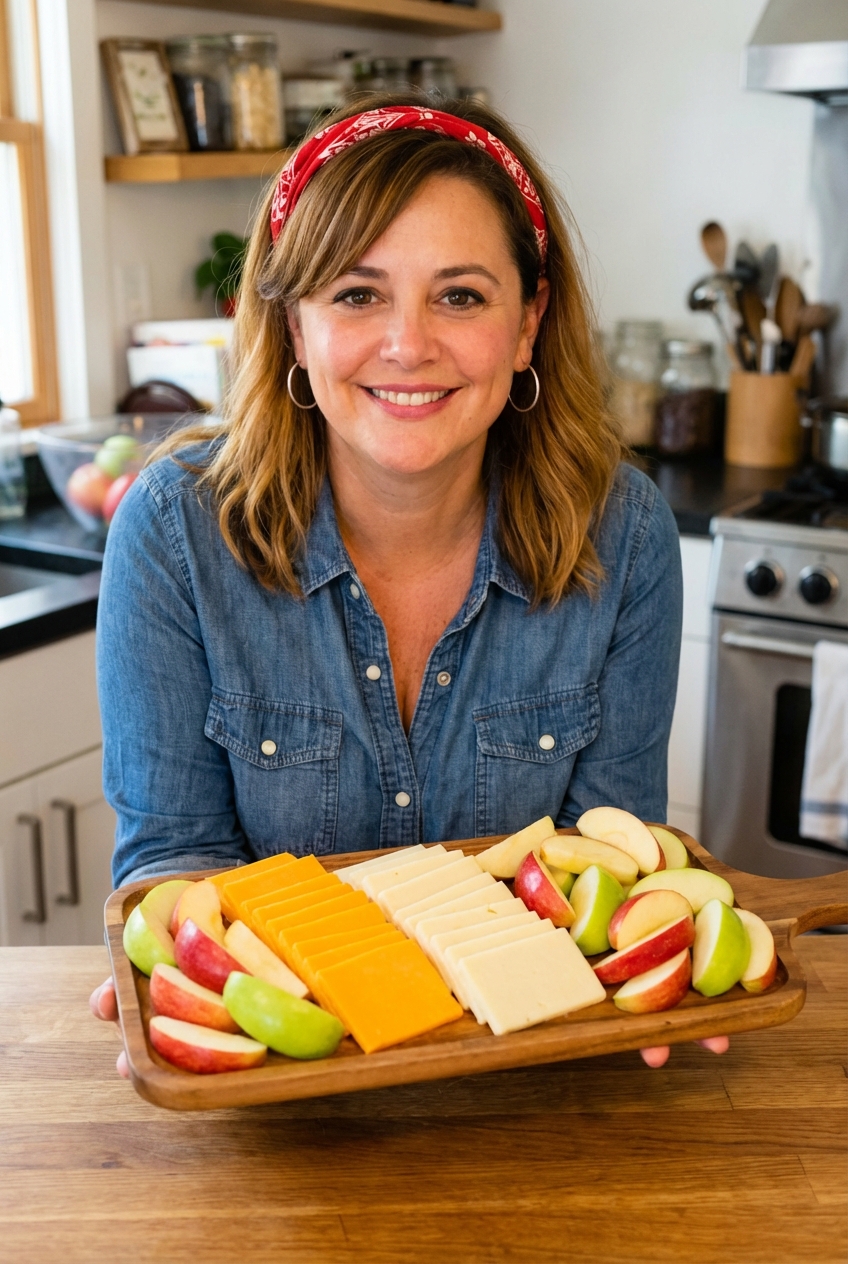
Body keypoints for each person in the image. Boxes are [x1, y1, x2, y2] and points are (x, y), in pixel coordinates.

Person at [90, 96, 727, 1070]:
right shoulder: (174, 532)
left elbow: (612, 848)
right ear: (292, 324)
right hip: (283, 1092)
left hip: (531, 1078)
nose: (406, 343)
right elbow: (172, 855)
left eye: (459, 295)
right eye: (356, 293)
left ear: (528, 323)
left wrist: (651, 952)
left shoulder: (623, 531)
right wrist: (188, 964)